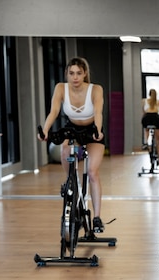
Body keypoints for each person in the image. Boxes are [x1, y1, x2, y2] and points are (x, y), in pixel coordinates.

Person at [38, 57, 106, 233]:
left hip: (92, 129)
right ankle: (70, 182)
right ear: (67, 74)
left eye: (79, 73)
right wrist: (45, 130)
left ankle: (97, 217)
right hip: (72, 127)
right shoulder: (61, 88)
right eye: (71, 73)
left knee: (92, 172)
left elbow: (98, 111)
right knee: (63, 153)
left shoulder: (95, 89)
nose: (75, 77)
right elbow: (54, 111)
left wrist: (98, 130)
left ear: (84, 74)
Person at [141, 89, 159, 164]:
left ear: (149, 94)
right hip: (156, 118)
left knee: (147, 131)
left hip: (147, 118)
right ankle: (158, 159)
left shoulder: (144, 101)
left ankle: (146, 143)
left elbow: (143, 112)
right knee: (157, 140)